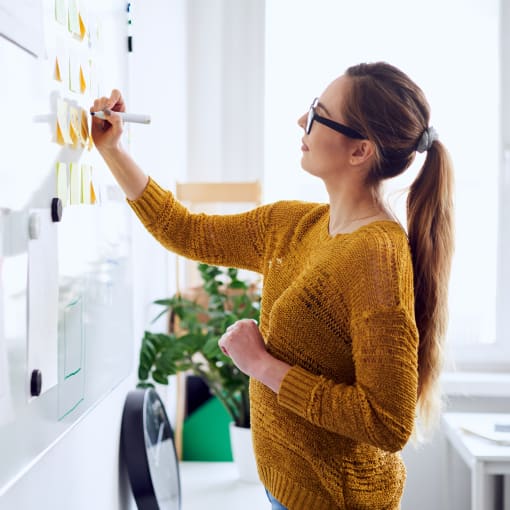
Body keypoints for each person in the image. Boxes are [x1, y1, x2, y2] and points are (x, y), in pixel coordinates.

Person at [91, 61, 454, 510]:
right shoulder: (294, 225)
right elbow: (185, 231)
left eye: (320, 113)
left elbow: (387, 421)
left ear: (359, 151)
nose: (303, 120)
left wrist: (262, 365)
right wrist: (113, 150)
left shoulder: (376, 256)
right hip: (285, 489)